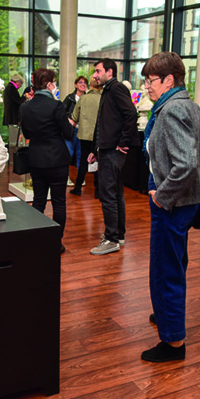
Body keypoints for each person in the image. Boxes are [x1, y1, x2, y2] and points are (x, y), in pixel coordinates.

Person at [139, 52, 200, 363]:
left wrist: (163, 195)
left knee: (166, 270)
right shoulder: (189, 105)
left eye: (150, 81)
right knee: (175, 264)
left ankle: (173, 344)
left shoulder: (169, 111)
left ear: (168, 79)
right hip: (187, 201)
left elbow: (186, 164)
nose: (147, 87)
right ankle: (167, 315)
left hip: (172, 203)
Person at [19, 68, 74, 253]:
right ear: (50, 84)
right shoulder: (56, 106)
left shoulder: (25, 107)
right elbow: (68, 133)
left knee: (39, 201)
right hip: (57, 159)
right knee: (59, 202)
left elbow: (26, 133)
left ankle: (37, 239)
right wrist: (69, 124)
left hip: (36, 159)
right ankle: (55, 243)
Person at [87, 58, 139, 255]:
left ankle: (111, 239)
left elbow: (130, 114)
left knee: (108, 195)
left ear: (109, 72)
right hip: (106, 149)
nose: (94, 75)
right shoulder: (108, 89)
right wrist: (94, 149)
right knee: (116, 194)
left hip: (113, 151)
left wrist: (123, 142)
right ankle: (118, 234)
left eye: (98, 71)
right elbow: (103, 123)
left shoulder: (116, 88)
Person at [69, 76, 101, 196]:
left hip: (84, 135)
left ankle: (78, 188)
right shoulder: (103, 99)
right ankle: (97, 191)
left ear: (90, 85)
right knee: (97, 161)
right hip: (98, 135)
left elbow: (75, 117)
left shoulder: (83, 98)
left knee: (83, 160)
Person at [63, 76, 88, 186]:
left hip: (83, 132)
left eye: (85, 83)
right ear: (76, 85)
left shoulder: (88, 98)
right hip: (71, 131)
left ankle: (80, 178)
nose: (83, 84)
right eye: (80, 82)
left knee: (81, 155)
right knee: (68, 154)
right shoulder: (70, 98)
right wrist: (69, 119)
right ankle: (66, 177)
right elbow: (62, 112)